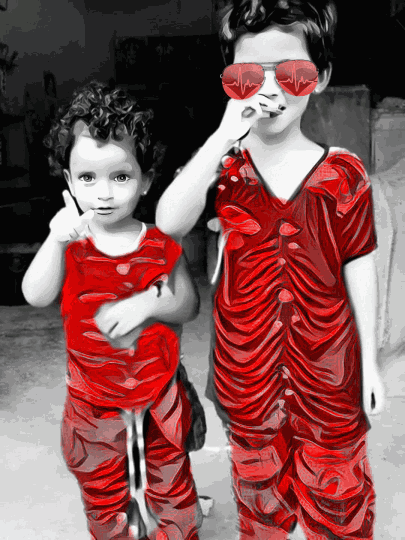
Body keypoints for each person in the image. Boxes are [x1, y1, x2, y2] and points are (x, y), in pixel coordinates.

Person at [155, 1, 385, 539]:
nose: (271, 90)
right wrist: (221, 136)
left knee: (340, 505)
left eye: (292, 73)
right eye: (249, 76)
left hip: (329, 374)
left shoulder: (343, 174)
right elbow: (168, 222)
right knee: (260, 505)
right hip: (248, 375)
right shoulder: (225, 168)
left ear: (321, 77)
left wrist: (370, 363)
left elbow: (360, 265)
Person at [22, 81, 203, 540]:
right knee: (102, 493)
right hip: (92, 403)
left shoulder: (160, 244)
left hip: (159, 395)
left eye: (120, 177)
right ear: (68, 182)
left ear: (146, 180)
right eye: (87, 178)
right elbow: (36, 295)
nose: (103, 193)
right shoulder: (70, 245)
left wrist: (148, 302)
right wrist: (54, 239)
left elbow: (188, 304)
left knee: (172, 488)